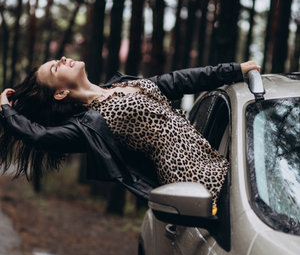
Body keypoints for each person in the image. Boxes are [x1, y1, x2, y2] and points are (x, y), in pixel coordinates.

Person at [0, 58, 260, 205]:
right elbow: (40, 136)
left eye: (56, 60)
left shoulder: (123, 85)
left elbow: (180, 80)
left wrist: (234, 70)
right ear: (60, 93)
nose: (62, 60)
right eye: (56, 68)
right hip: (194, 184)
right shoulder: (90, 124)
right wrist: (6, 110)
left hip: (220, 166)